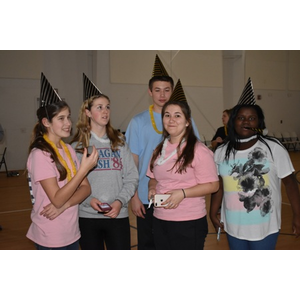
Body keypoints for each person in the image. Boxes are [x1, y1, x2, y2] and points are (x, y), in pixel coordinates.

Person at [210, 77, 300, 250]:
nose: (246, 121)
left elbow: (290, 184)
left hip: (265, 227)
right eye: (241, 118)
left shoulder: (273, 148)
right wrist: (212, 211)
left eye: (252, 118)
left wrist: (297, 214)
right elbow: (219, 185)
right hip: (233, 226)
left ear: (259, 122)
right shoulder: (222, 151)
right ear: (233, 121)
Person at [125, 54, 200, 250]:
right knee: (148, 244)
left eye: (167, 90)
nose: (162, 94)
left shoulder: (185, 120)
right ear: (149, 92)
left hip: (180, 198)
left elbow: (197, 154)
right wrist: (133, 197)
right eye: (157, 90)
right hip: (146, 196)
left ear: (172, 91)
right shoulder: (138, 122)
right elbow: (131, 162)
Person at [26, 73, 98, 250]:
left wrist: (65, 205)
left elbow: (86, 189)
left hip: (71, 231)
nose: (68, 123)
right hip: (50, 234)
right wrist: (83, 170)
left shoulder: (68, 149)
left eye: (68, 117)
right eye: (61, 118)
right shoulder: (40, 155)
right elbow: (56, 199)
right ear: (46, 122)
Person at [146, 79, 219, 250]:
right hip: (160, 218)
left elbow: (213, 185)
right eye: (167, 115)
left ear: (187, 121)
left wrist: (183, 193)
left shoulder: (198, 150)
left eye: (177, 115)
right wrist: (151, 188)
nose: (171, 120)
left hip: (188, 221)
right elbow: (154, 178)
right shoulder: (159, 149)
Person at [70, 74, 139, 250]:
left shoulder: (120, 142)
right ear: (88, 112)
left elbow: (132, 177)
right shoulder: (77, 146)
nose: (105, 111)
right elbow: (72, 183)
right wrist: (89, 200)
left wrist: (119, 202)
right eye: (99, 107)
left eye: (107, 107)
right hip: (87, 215)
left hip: (118, 214)